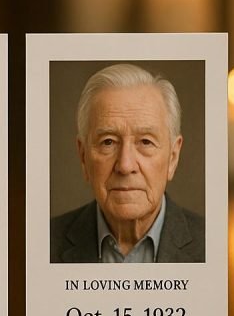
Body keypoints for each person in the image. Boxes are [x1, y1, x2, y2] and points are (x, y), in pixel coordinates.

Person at [50, 63, 205, 263]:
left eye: (146, 142)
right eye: (108, 142)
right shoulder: (41, 244)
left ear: (173, 157)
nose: (125, 165)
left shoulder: (214, 246)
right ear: (83, 156)